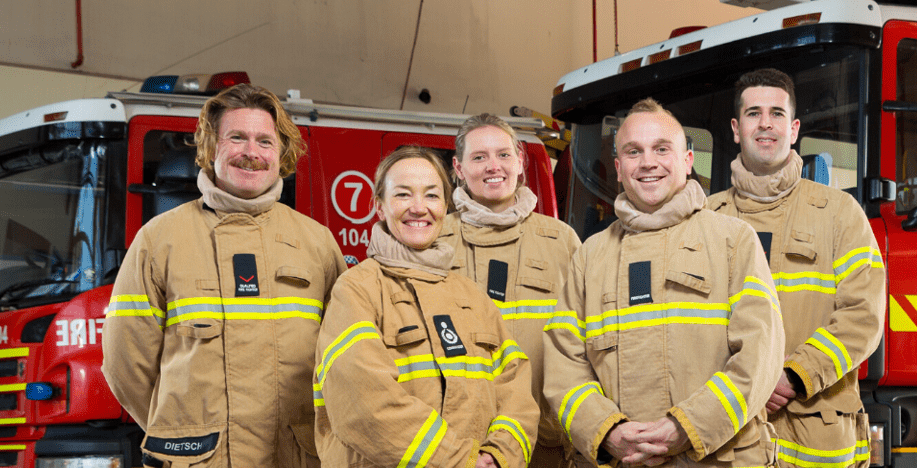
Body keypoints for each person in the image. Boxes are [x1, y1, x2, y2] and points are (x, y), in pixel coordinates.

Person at [103, 83, 346, 467]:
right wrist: (179, 430)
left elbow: (343, 359)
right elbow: (125, 363)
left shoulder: (317, 243)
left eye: (265, 141)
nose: (252, 153)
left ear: (280, 152)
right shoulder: (159, 239)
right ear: (211, 147)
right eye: (237, 138)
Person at [543, 99, 785, 468]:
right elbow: (564, 366)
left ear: (687, 161)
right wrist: (606, 431)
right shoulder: (589, 256)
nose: (648, 162)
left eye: (661, 149)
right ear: (619, 169)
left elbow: (759, 357)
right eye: (634, 152)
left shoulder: (733, 240)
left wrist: (687, 426)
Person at [313, 146, 540, 468]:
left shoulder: (473, 295)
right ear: (379, 206)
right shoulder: (356, 289)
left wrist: (499, 456)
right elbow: (366, 405)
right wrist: (463, 461)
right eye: (403, 195)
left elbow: (515, 388)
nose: (419, 208)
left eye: (432, 196)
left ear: (446, 207)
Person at [705, 69, 886, 468]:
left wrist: (794, 375)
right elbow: (690, 325)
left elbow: (864, 315)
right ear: (736, 129)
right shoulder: (706, 219)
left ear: (794, 128)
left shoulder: (840, 214)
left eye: (776, 113)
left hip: (816, 438)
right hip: (729, 435)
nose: (765, 123)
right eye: (753, 113)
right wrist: (748, 383)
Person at [446, 114, 582, 468]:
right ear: (459, 168)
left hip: (544, 441)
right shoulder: (435, 241)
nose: (494, 166)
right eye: (479, 157)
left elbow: (584, 342)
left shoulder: (561, 240)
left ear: (521, 162)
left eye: (504, 154)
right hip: (459, 444)